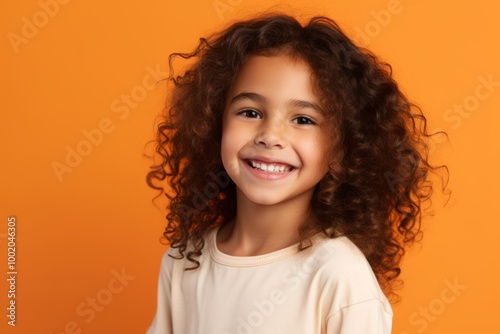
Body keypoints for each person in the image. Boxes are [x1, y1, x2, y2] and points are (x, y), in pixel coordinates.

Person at [146, 13, 446, 334]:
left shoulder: (338, 276)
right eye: (250, 112)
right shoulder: (183, 261)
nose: (270, 135)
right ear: (212, 124)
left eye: (303, 119)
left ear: (343, 148)